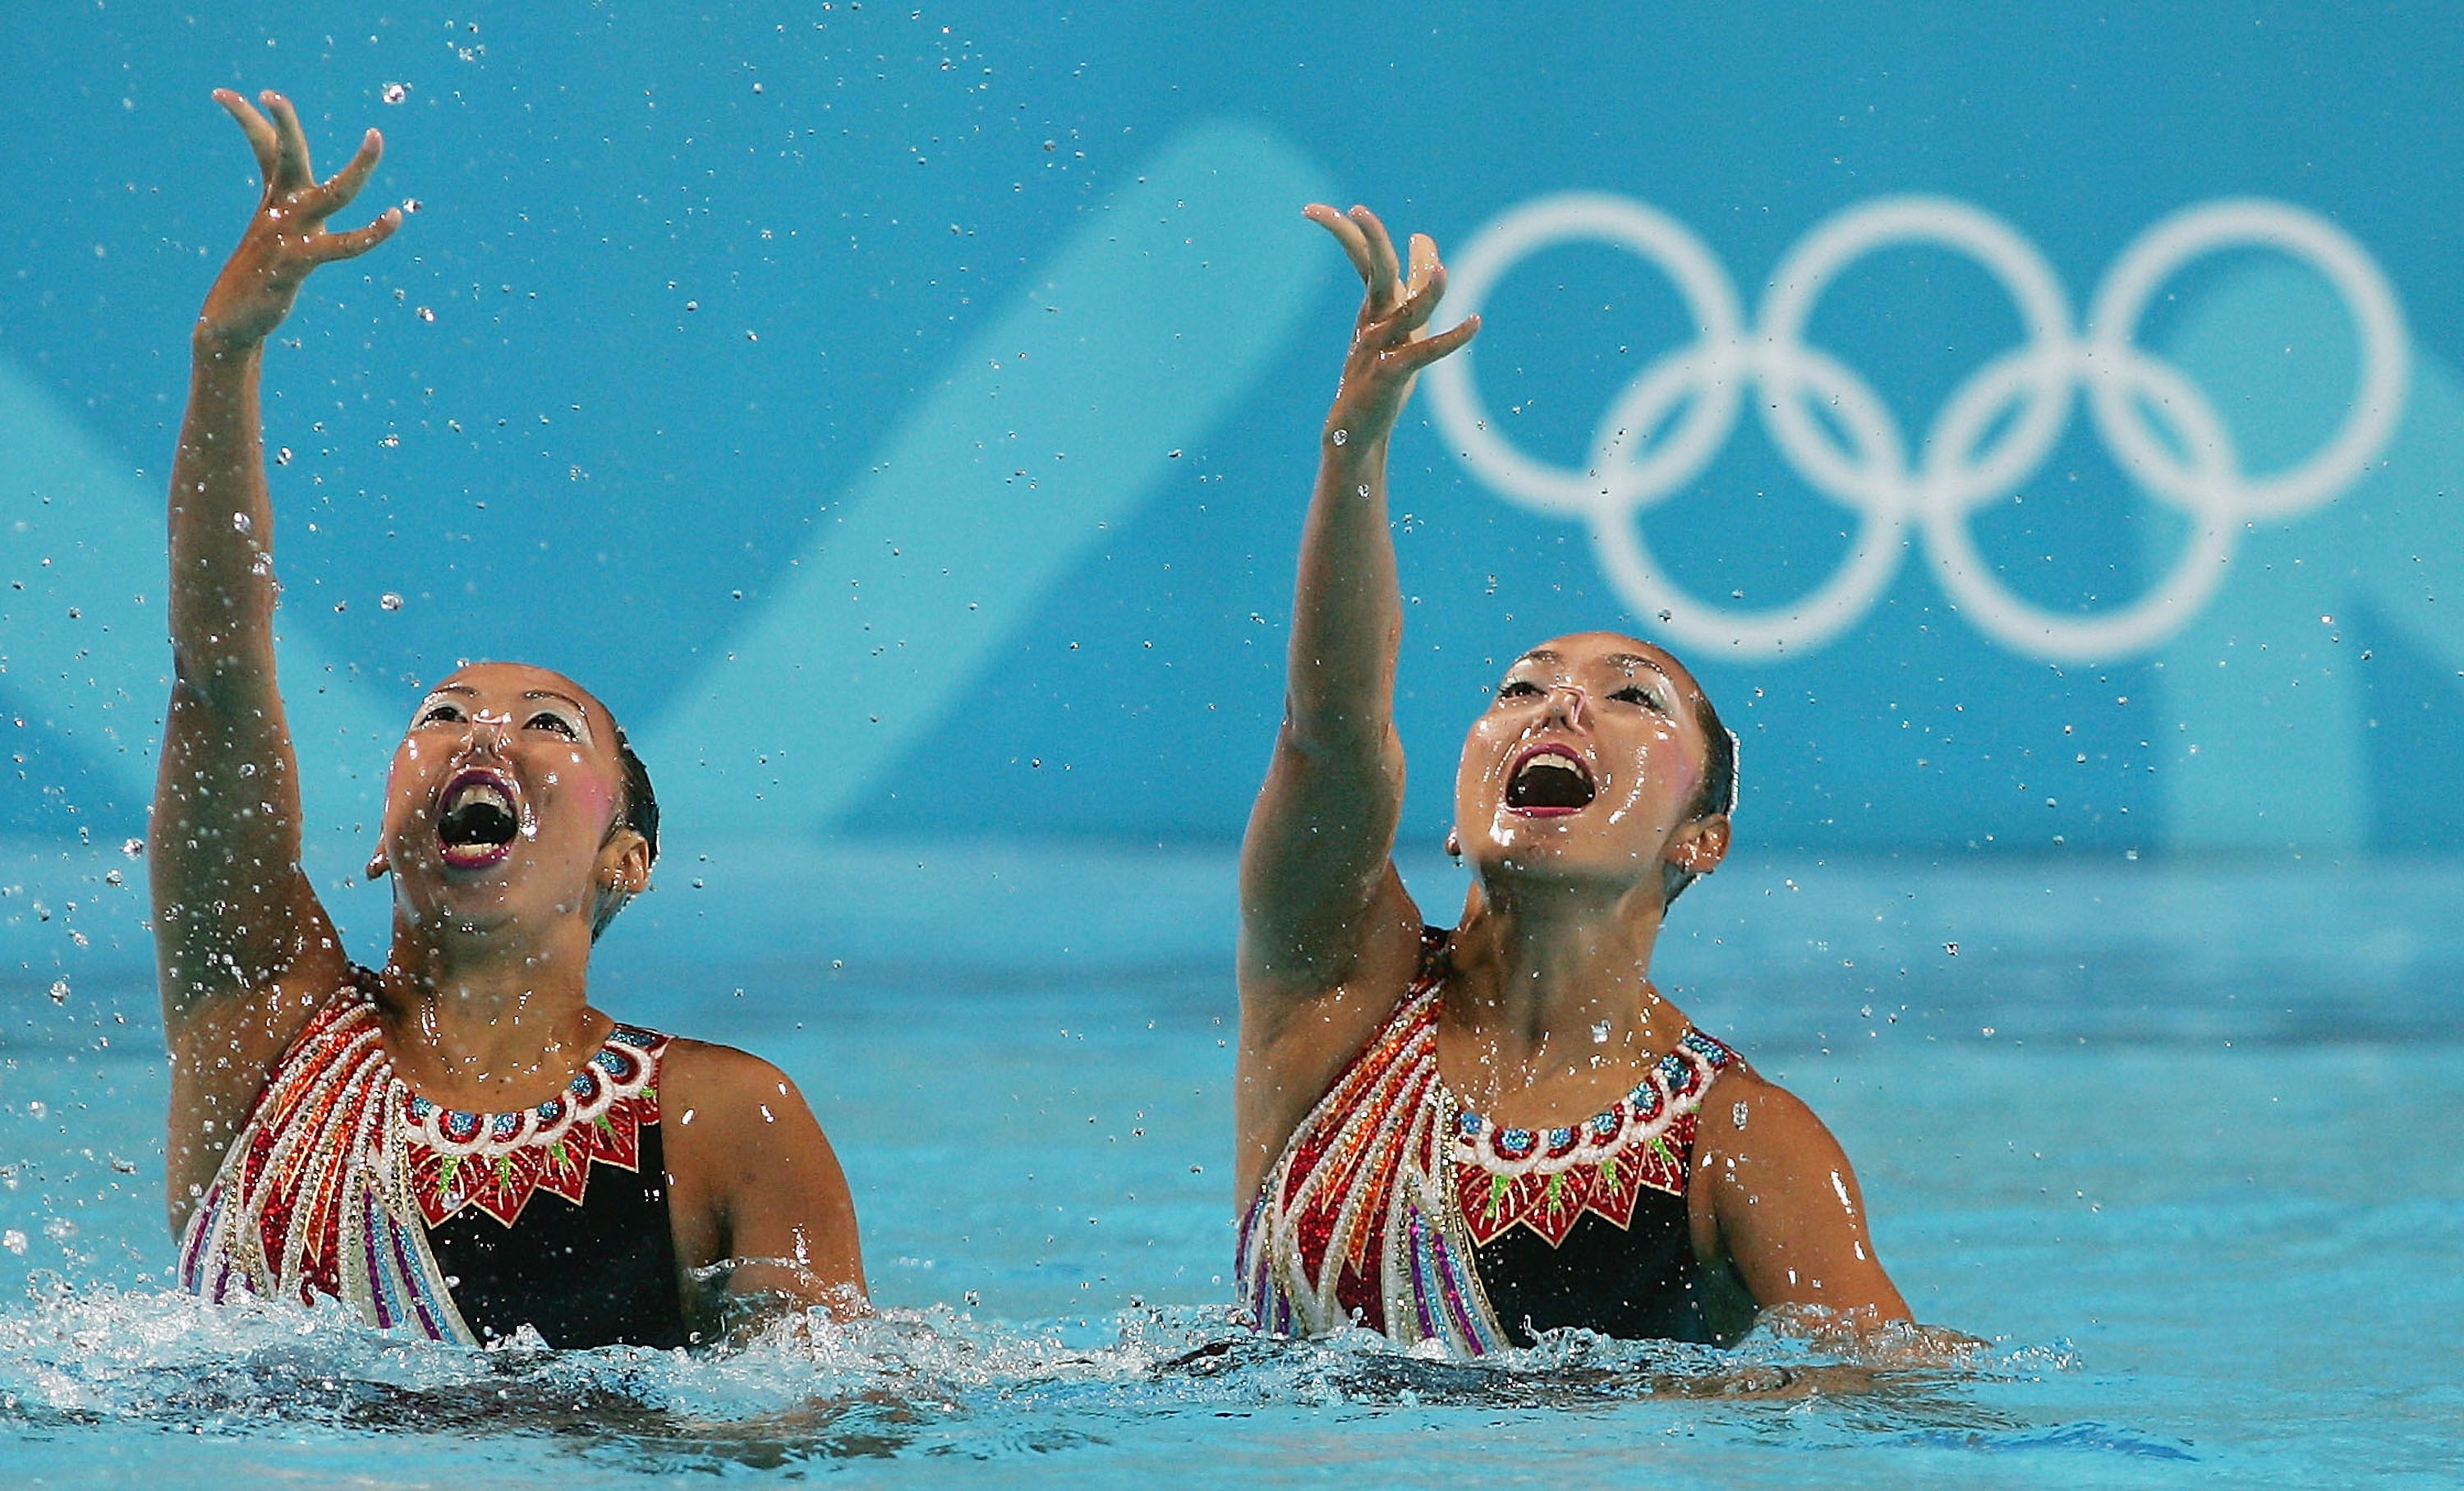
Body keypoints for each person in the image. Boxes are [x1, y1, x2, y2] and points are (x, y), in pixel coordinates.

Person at [157, 90, 863, 1349]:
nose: (484, 738)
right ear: (384, 834)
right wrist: (227, 361)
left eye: (549, 724)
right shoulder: (262, 1020)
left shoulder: (730, 1124)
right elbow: (216, 671)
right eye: (443, 714)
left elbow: (813, 1434)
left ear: (624, 861)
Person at [1233, 205, 1920, 1352]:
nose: (1560, 704)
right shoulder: (1331, 992)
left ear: (1701, 839)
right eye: (1521, 688)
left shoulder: (1744, 1143)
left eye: (1631, 696)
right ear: (1451, 817)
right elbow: (1330, 735)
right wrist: (1353, 448)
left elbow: (1898, 1394)